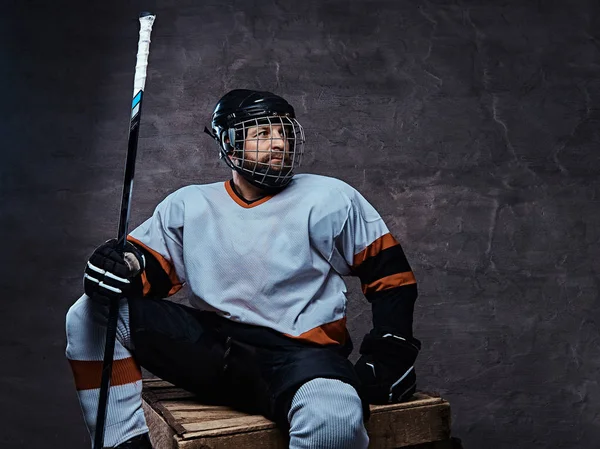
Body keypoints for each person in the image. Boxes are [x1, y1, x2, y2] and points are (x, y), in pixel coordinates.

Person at [65, 89, 421, 449]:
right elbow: (146, 272)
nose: (279, 143)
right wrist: (117, 265)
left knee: (334, 424)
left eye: (283, 132)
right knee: (91, 313)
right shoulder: (190, 204)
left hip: (299, 358)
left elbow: (390, 277)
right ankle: (121, 444)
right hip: (213, 349)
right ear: (230, 145)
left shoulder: (330, 198)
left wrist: (391, 352)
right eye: (263, 134)